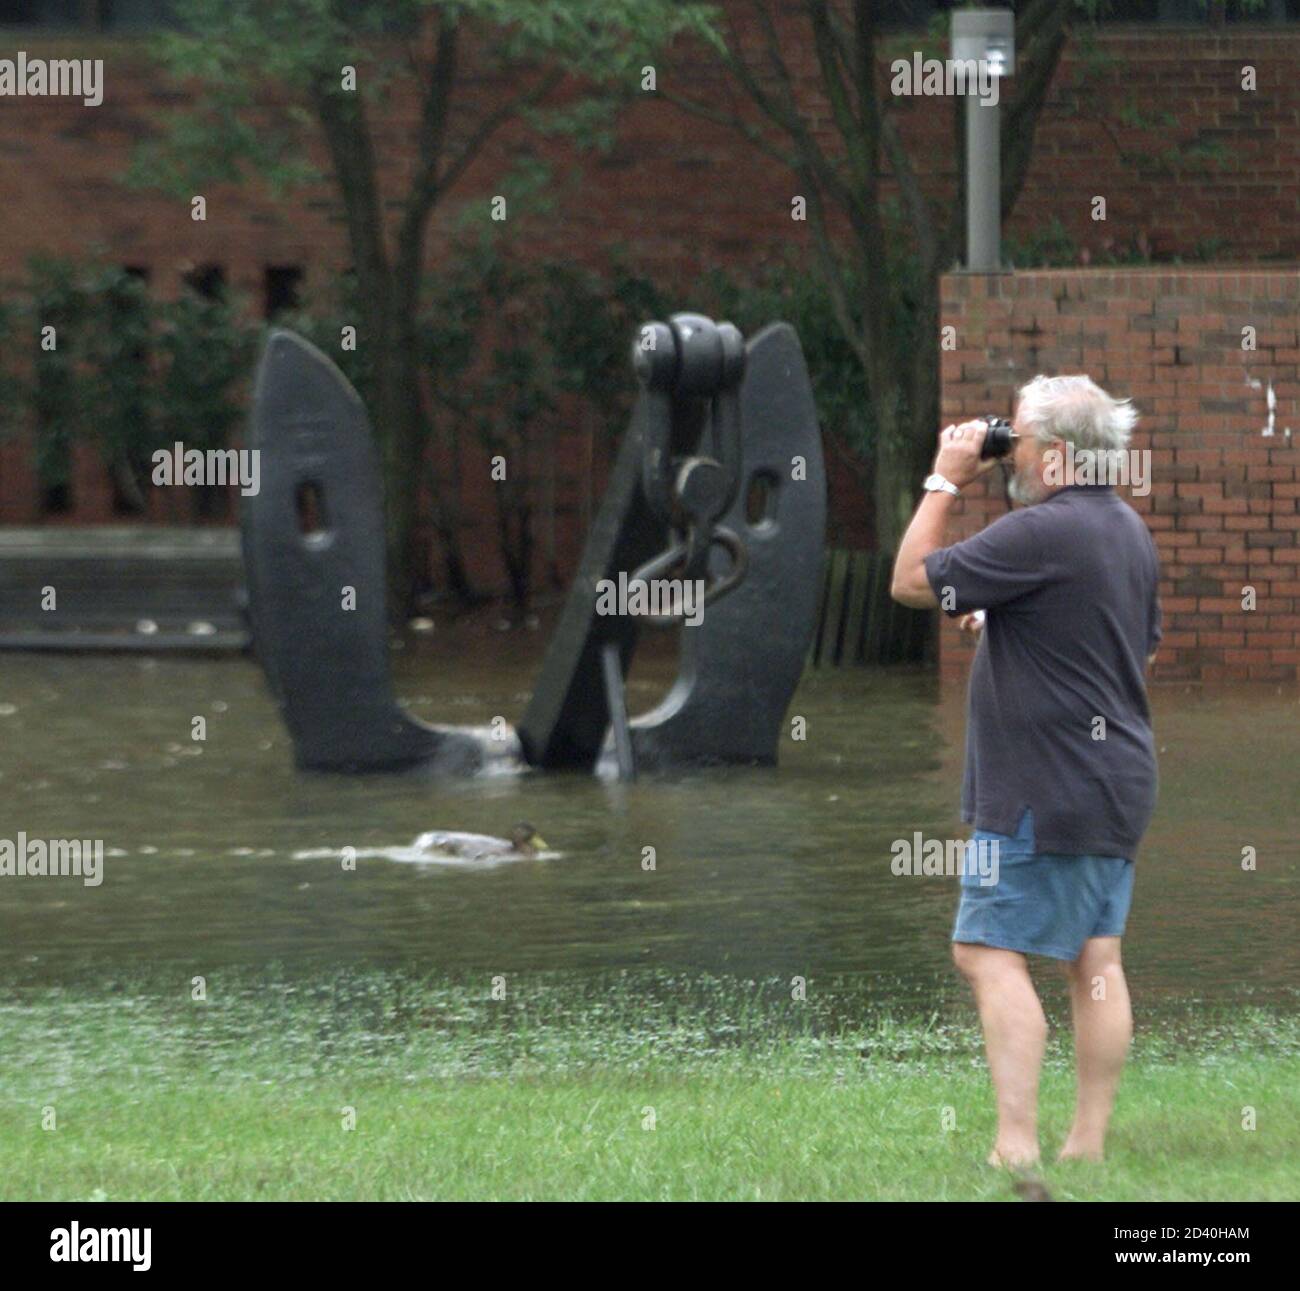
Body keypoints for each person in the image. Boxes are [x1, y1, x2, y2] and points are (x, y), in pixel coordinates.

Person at [891, 374, 1162, 1169]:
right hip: (1117, 780)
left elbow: (911, 579)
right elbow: (1128, 646)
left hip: (1040, 786)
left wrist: (946, 476)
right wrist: (1010, 621)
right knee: (1096, 958)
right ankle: (1085, 1146)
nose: (1009, 451)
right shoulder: (1126, 531)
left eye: (1019, 438)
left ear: (1056, 456)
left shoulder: (1042, 532)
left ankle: (1015, 1147)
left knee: (984, 950)